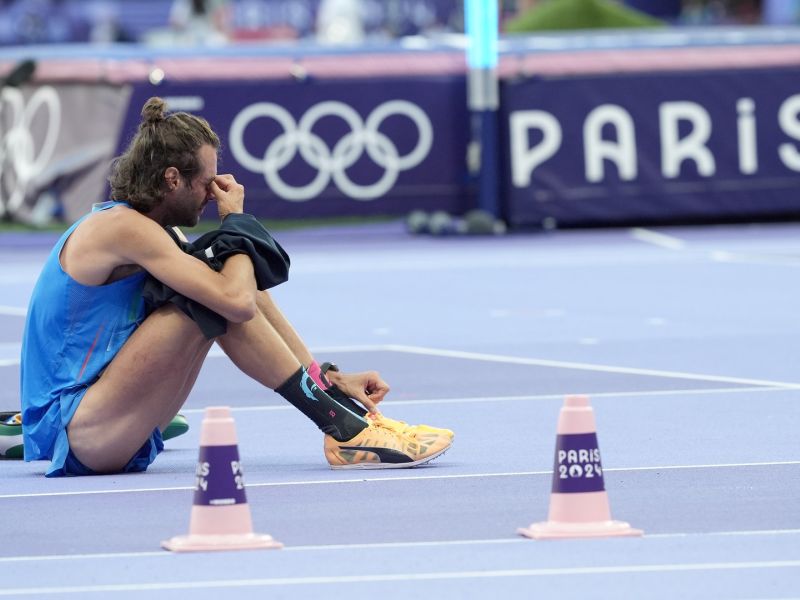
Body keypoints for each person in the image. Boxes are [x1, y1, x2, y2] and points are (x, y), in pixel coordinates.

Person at [14, 96, 452, 477]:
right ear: (172, 179)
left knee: (220, 277)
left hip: (109, 427)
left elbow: (245, 294)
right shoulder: (120, 228)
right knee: (211, 295)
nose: (216, 191)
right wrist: (235, 220)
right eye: (208, 181)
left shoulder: (152, 232)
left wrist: (328, 379)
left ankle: (333, 405)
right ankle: (344, 431)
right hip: (83, 430)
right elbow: (235, 305)